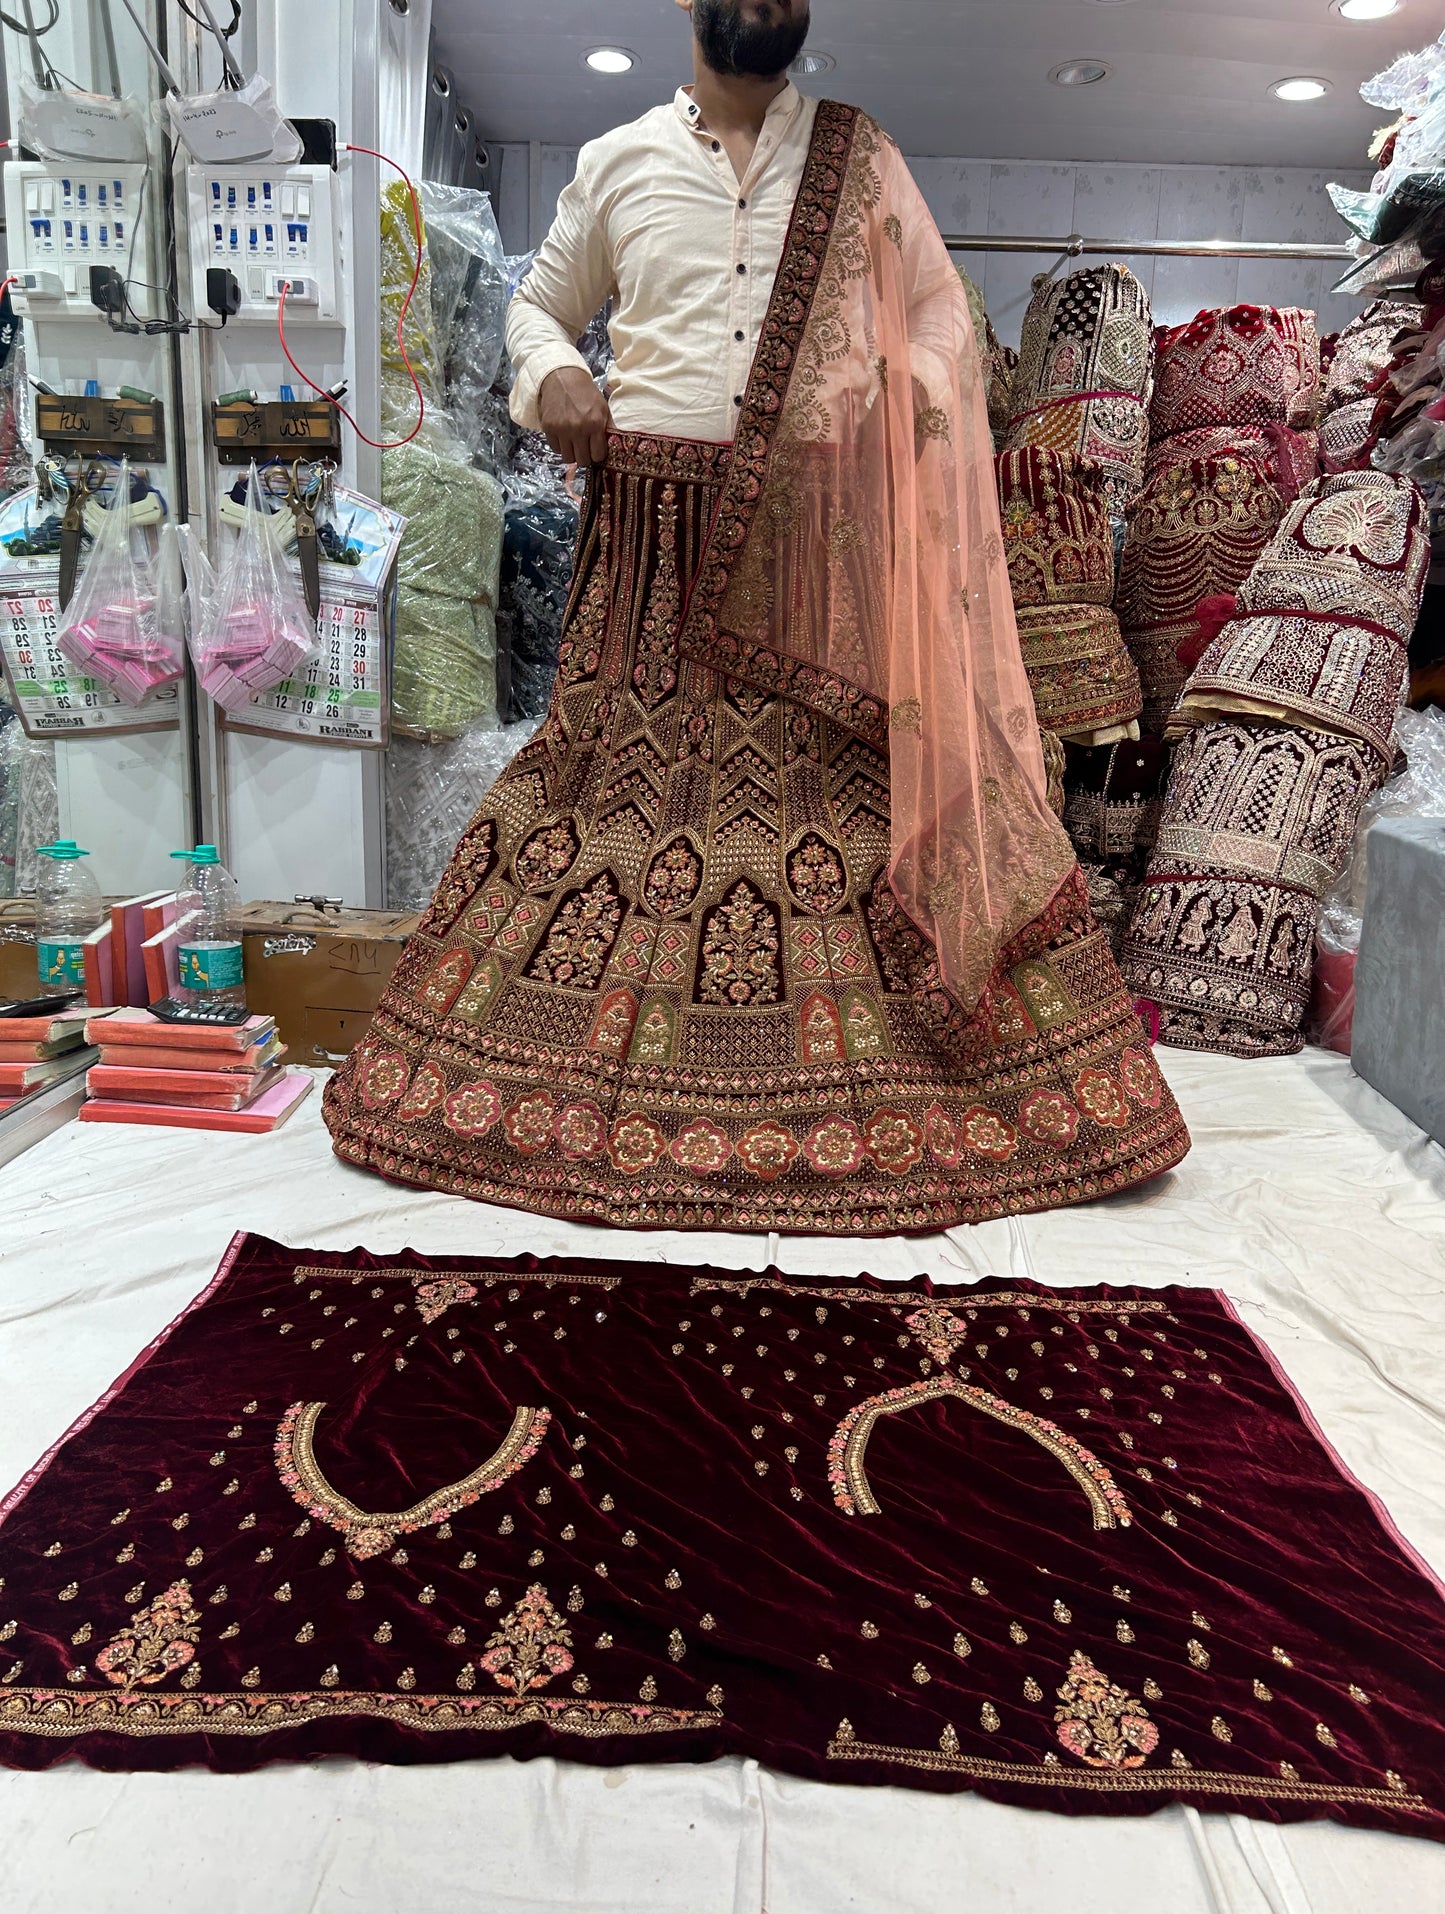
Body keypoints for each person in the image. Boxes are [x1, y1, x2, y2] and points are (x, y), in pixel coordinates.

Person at [323, 0, 1190, 1231]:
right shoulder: (618, 162)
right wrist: (552, 369)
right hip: (649, 546)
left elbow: (945, 315)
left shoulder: (859, 158)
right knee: (601, 796)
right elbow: (539, 306)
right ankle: (577, 1086)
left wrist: (889, 392)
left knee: (834, 805)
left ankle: (870, 1093)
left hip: (814, 551)